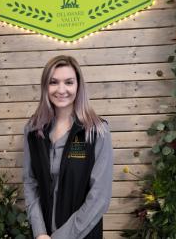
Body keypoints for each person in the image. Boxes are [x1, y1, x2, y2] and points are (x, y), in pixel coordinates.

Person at [23, 55, 113, 239]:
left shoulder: (96, 131)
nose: (61, 90)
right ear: (45, 87)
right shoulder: (33, 130)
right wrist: (40, 232)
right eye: (54, 82)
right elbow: (30, 183)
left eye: (69, 82)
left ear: (78, 86)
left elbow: (99, 197)